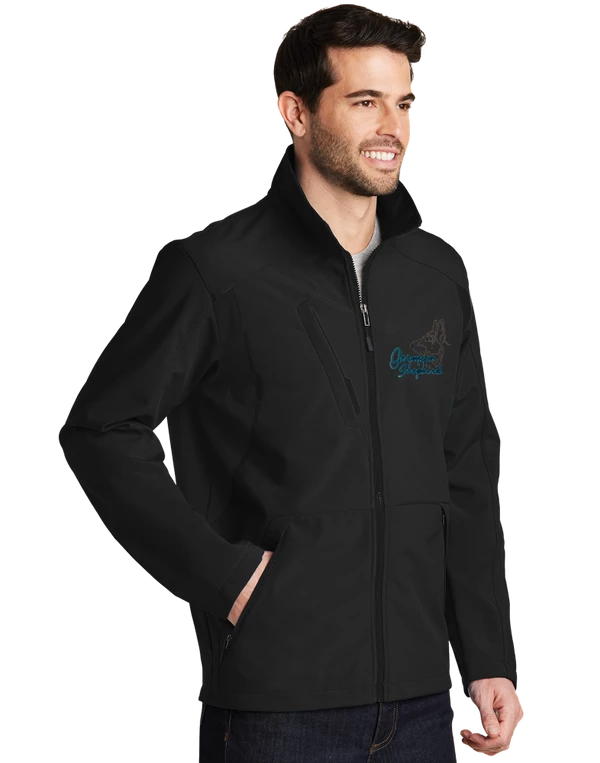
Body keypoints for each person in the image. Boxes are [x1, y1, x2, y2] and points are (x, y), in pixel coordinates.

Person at [58, 4, 524, 761]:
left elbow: (466, 466)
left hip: (419, 703)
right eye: (365, 101)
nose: (393, 128)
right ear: (295, 113)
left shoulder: (435, 275)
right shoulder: (216, 271)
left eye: (404, 102)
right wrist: (230, 577)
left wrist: (488, 654)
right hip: (280, 709)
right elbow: (101, 430)